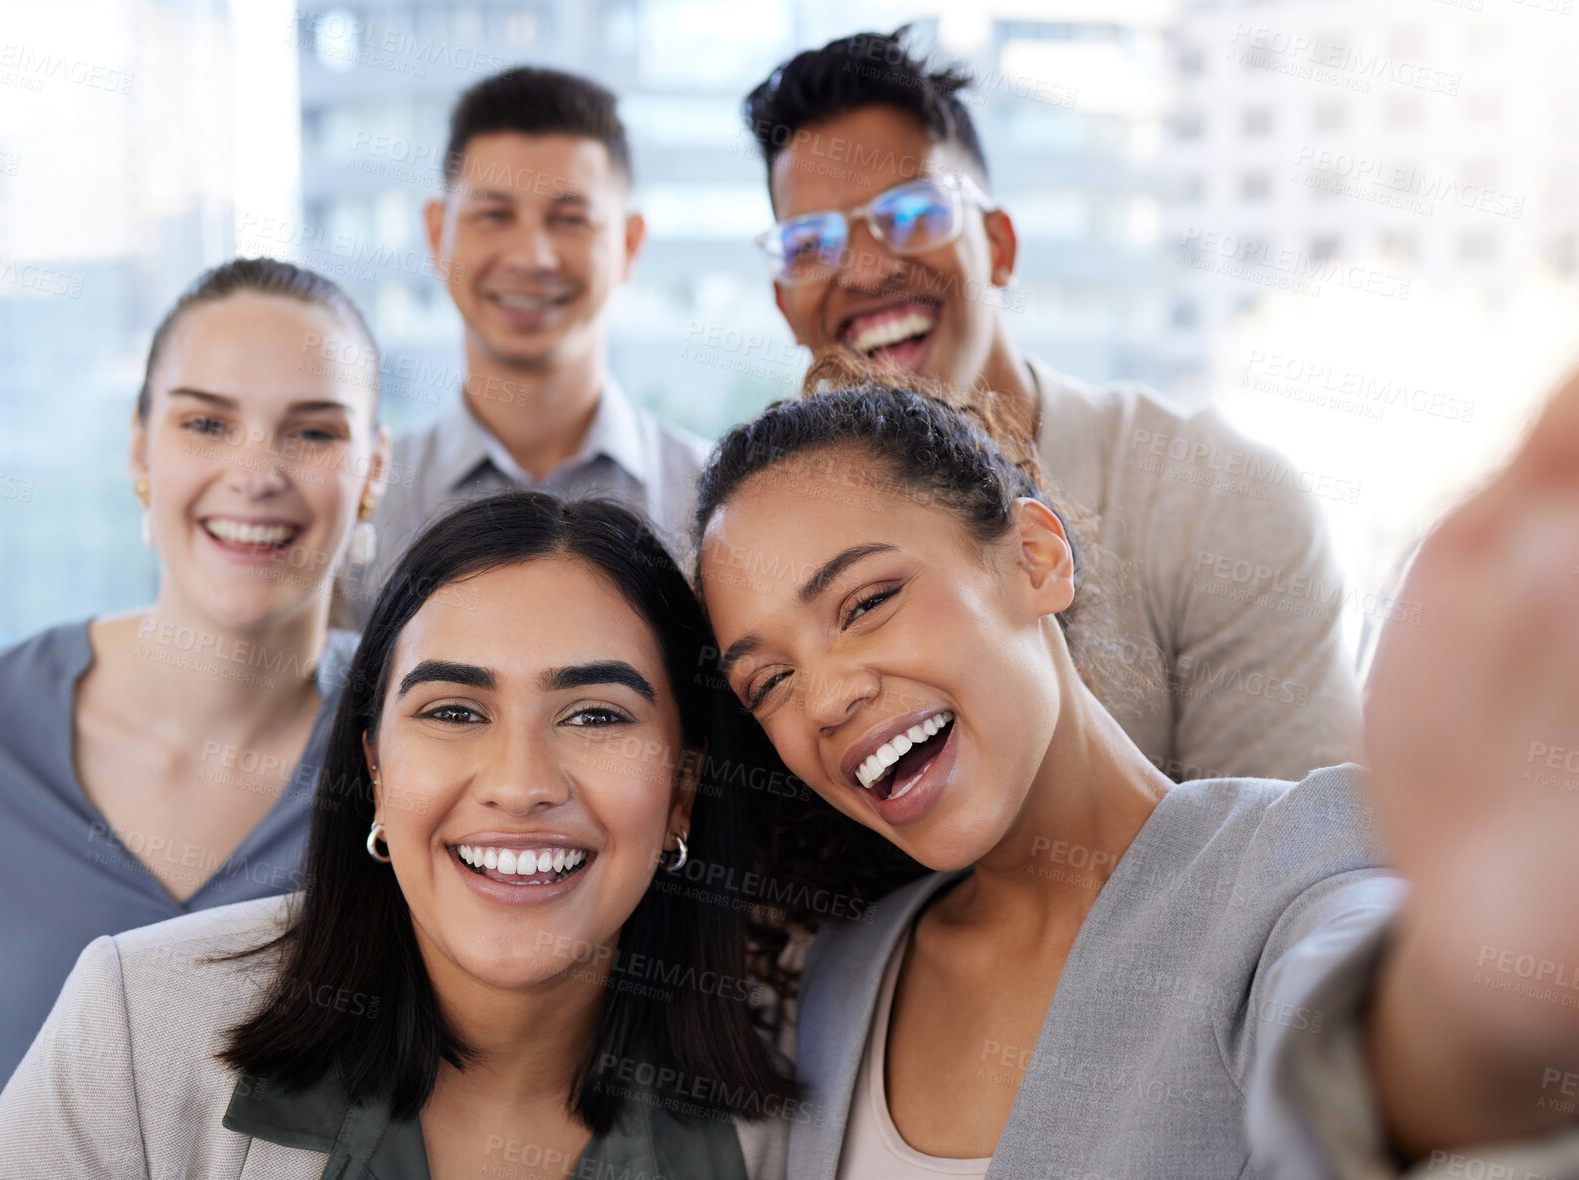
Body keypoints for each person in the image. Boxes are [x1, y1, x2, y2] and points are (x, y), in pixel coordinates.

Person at [690, 352, 1579, 1176]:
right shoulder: (846, 973)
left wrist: (1476, 994)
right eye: (770, 681)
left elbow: (1371, 1038)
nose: (827, 697)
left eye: (869, 601)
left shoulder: (1293, 868)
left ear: (1035, 559)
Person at [0, 493, 794, 1179]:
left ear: (684, 788)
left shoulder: (795, 1106)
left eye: (596, 715)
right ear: (376, 773)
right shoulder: (138, 1027)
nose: (520, 784)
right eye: (455, 712)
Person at [742, 28, 1360, 784]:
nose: (866, 268)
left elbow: (1296, 858)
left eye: (912, 215)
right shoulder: (767, 570)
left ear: (999, 246)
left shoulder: (1213, 496)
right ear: (784, 302)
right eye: (812, 245)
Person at [0, 258, 389, 1180]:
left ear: (372, 471)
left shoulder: (420, 755)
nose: (257, 473)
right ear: (138, 452)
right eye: (206, 422)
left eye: (312, 432)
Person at [334, 66, 709, 629]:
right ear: (438, 235)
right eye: (493, 215)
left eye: (570, 219)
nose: (532, 256)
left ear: (629, 244)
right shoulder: (362, 503)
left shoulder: (710, 502)